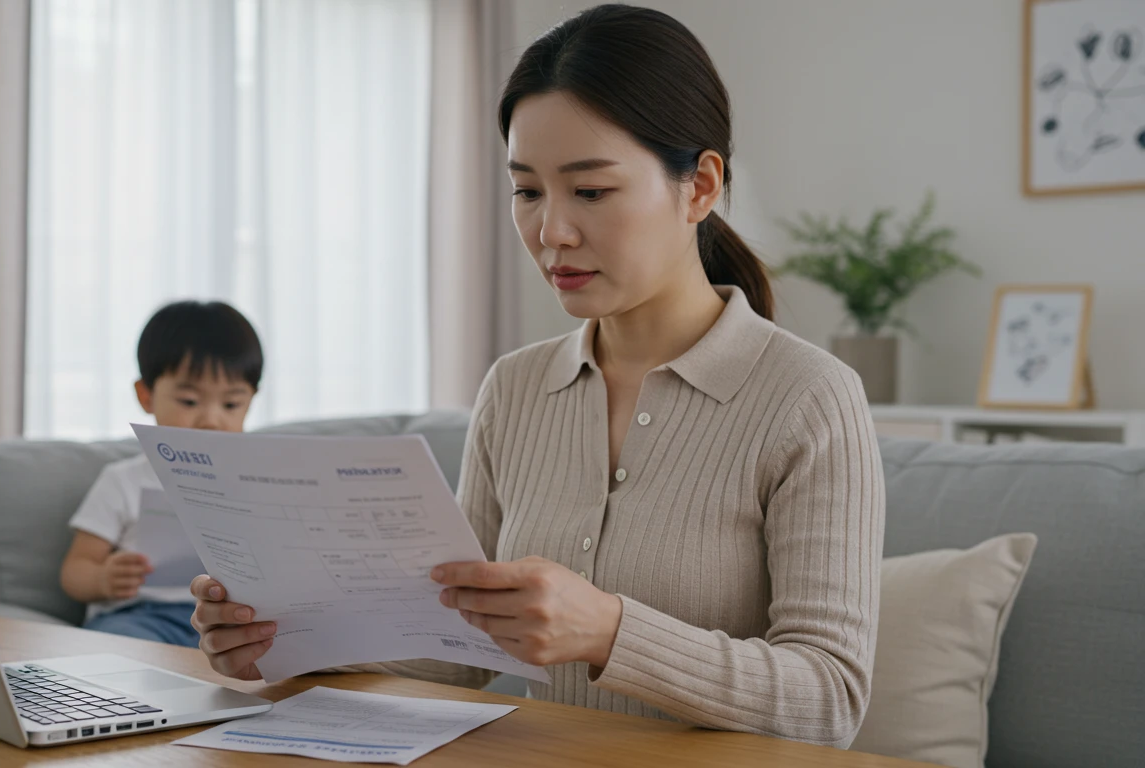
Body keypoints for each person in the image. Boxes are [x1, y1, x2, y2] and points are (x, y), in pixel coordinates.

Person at [187, 4, 885, 748]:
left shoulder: (809, 399)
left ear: (701, 187)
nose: (551, 231)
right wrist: (288, 640)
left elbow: (830, 700)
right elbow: (458, 650)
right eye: (527, 191)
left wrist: (609, 631)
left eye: (590, 191)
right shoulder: (515, 389)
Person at [60, 300, 263, 647]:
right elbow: (75, 569)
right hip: (143, 615)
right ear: (146, 396)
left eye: (231, 404)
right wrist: (103, 578)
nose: (211, 420)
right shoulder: (123, 480)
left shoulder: (256, 480)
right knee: (120, 640)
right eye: (189, 401)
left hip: (227, 617)